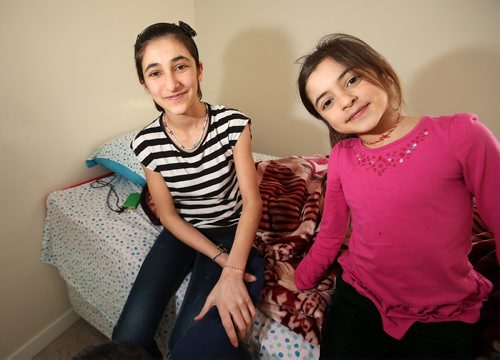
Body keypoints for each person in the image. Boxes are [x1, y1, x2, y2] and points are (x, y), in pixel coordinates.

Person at [275, 33, 500, 359]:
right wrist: (301, 277)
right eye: (327, 102)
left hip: (442, 312)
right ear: (325, 118)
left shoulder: (461, 135)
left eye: (351, 80)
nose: (346, 100)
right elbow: (331, 233)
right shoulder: (340, 157)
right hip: (359, 296)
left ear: (381, 71)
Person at [112, 21, 264, 359]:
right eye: (155, 73)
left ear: (199, 69)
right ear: (144, 84)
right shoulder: (147, 144)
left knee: (186, 341)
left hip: (229, 228)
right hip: (182, 231)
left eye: (180, 66)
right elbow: (167, 214)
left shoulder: (233, 124)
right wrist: (218, 259)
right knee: (126, 337)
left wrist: (233, 266)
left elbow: (252, 202)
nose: (171, 83)